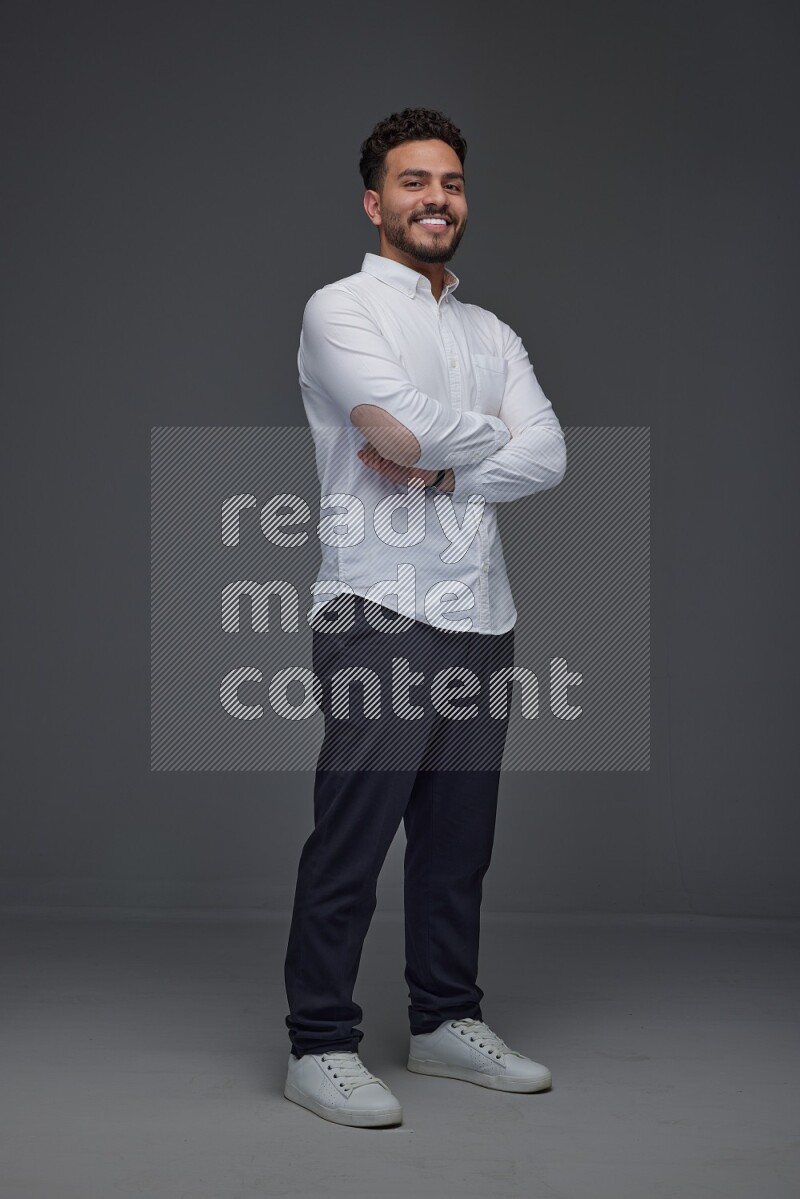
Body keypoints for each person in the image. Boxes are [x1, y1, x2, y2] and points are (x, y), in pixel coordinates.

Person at [283, 108, 567, 1128]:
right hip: (378, 608)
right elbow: (390, 421)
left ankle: (445, 1019)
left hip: (479, 613)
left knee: (457, 844)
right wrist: (486, 437)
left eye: (448, 181)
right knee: (352, 840)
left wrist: (447, 459)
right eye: (412, 181)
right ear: (375, 201)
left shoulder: (492, 332)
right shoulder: (340, 309)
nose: (434, 197)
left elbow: (550, 454)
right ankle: (318, 1040)